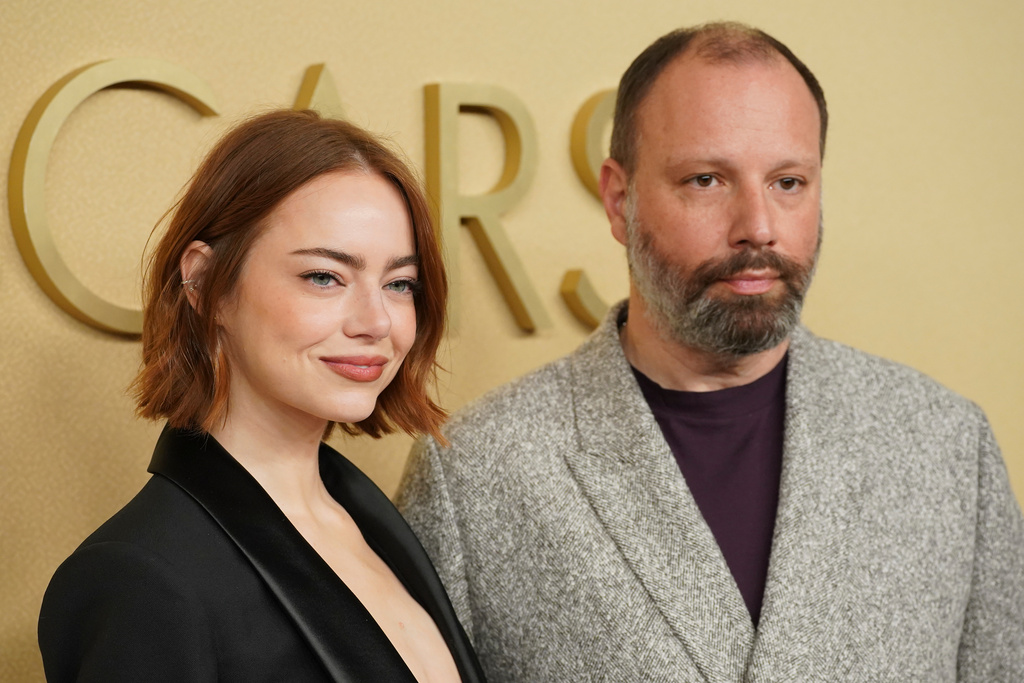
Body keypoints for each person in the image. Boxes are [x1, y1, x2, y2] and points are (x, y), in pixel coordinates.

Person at [397, 22, 1024, 682]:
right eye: (706, 179)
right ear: (619, 200)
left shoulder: (947, 445)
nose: (758, 225)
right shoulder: (473, 473)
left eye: (788, 182)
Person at [38, 109, 485, 683]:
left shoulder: (370, 519)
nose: (377, 321)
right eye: (325, 276)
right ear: (205, 285)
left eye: (399, 283)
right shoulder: (138, 577)